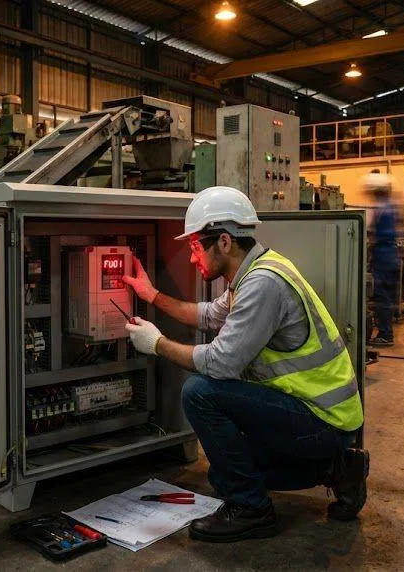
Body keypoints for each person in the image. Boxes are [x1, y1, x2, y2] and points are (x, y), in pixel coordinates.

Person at [121, 186, 369, 543]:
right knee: (224, 475)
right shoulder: (254, 273)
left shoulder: (263, 283)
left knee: (200, 393)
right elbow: (209, 315)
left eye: (195, 248)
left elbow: (221, 363)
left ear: (223, 242)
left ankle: (253, 509)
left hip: (323, 420)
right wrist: (152, 296)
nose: (192, 259)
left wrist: (156, 344)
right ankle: (339, 468)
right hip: (314, 414)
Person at [367, 172, 399, 347]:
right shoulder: (390, 206)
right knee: (386, 297)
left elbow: (374, 233)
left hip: (383, 256)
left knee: (382, 297)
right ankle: (386, 332)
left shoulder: (381, 208)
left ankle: (386, 334)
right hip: (390, 255)